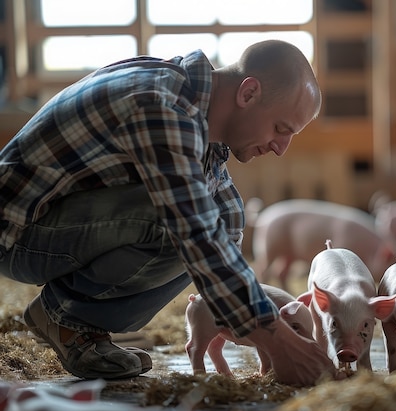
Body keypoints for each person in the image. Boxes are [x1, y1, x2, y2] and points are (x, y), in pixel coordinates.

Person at [0, 40, 337, 386]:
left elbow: (229, 219)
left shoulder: (200, 114)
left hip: (51, 224)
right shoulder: (163, 106)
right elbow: (194, 230)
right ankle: (66, 316)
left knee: (213, 220)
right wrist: (278, 342)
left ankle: (68, 318)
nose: (282, 149)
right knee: (174, 224)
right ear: (248, 93)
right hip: (16, 233)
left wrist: (249, 310)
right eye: (281, 129)